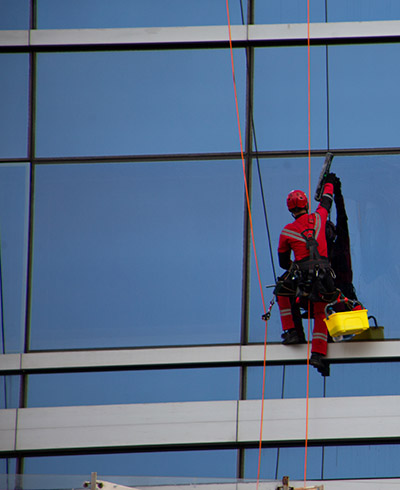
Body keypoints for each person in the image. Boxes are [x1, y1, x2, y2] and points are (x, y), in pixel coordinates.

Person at [275, 174, 339, 376]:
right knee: (321, 313)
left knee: (281, 291)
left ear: (290, 210)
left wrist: (295, 263)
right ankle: (318, 354)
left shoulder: (287, 231)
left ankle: (292, 332)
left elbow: (283, 263)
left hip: (303, 280)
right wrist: (330, 182)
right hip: (325, 279)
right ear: (306, 205)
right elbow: (327, 199)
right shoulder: (319, 217)